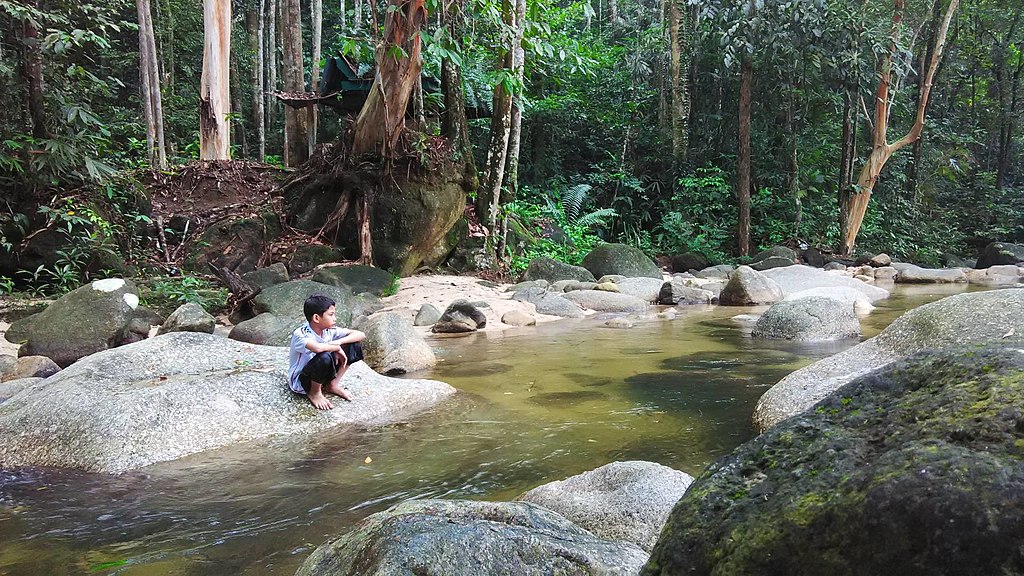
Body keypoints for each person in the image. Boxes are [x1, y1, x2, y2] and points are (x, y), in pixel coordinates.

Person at [288, 294, 367, 410]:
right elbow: (317, 348)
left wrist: (338, 343)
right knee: (324, 356)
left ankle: (332, 385)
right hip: (303, 382)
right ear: (316, 318)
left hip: (322, 375)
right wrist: (336, 348)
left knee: (354, 345)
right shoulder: (301, 334)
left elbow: (360, 334)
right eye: (331, 315)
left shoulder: (328, 330)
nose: (335, 318)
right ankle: (315, 393)